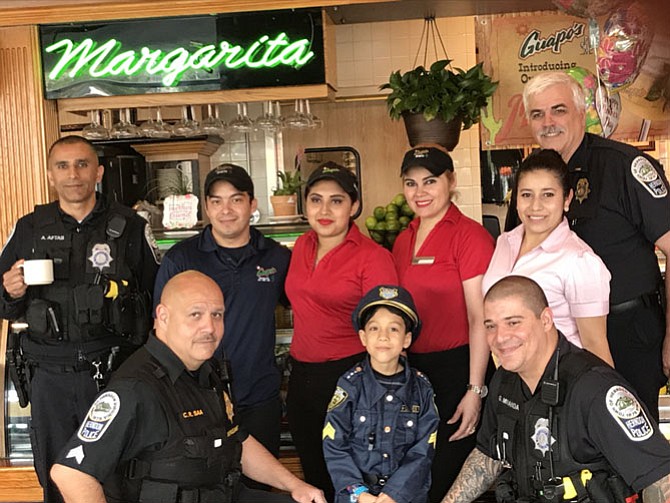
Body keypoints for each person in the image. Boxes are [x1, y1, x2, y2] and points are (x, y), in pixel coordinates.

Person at [50, 271, 326, 503]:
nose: (210, 327)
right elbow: (71, 474)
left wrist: (294, 485)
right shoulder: (135, 389)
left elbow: (237, 439)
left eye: (217, 314)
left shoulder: (204, 370)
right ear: (163, 316)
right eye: (195, 314)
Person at [0, 135, 159, 503]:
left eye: (82, 164)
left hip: (115, 374)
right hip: (49, 377)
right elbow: (3, 303)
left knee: (118, 475)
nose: (73, 174)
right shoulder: (28, 228)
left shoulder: (130, 226)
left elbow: (155, 303)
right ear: (51, 175)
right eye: (63, 166)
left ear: (99, 172)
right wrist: (11, 292)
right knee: (56, 477)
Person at [519, 71, 670, 421]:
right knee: (572, 448)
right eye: (537, 114)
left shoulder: (624, 166)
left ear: (582, 111)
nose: (548, 123)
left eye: (559, 110)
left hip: (626, 334)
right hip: (556, 341)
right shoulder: (532, 180)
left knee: (629, 442)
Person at [442, 275, 670, 503]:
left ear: (546, 320)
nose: (500, 337)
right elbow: (487, 457)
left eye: (513, 322)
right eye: (490, 326)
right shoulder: (504, 380)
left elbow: (660, 479)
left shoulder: (594, 389)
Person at [153, 164, 291, 466]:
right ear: (206, 207)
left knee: (258, 490)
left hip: (259, 397)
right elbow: (160, 333)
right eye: (216, 201)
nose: (226, 210)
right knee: (205, 488)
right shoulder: (181, 258)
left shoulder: (276, 257)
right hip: (196, 399)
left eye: (236, 199)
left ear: (252, 204)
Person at [286, 162, 398, 501]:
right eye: (316, 199)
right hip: (302, 378)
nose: (324, 209)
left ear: (354, 206)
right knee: (315, 478)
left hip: (350, 379)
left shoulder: (372, 257)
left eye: (336, 201)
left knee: (354, 480)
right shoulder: (301, 247)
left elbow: (388, 332)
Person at [392, 144, 494, 502]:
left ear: (451, 182)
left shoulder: (469, 236)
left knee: (448, 483)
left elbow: (479, 317)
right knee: (414, 480)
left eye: (430, 181)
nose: (420, 192)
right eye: (411, 183)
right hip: (413, 376)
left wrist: (475, 389)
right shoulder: (403, 239)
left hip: (458, 371)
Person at [483, 149, 613, 364]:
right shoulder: (505, 242)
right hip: (511, 380)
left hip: (562, 383)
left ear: (567, 199)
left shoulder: (579, 261)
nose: (535, 206)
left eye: (548, 195)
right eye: (526, 195)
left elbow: (596, 347)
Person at [323, 284, 439, 503]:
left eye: (394, 329)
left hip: (406, 496)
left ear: (406, 339)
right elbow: (334, 444)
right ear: (363, 337)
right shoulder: (349, 385)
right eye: (374, 328)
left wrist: (394, 494)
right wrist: (359, 493)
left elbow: (423, 449)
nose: (383, 336)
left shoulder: (422, 388)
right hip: (358, 496)